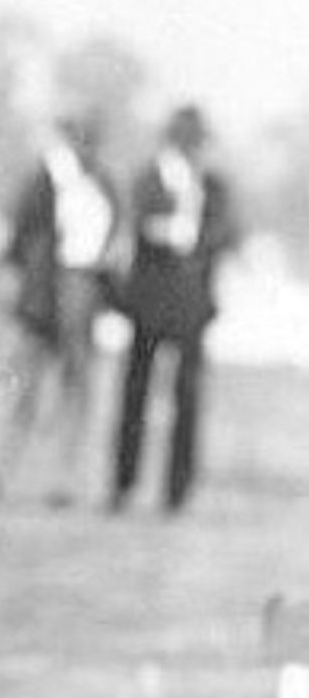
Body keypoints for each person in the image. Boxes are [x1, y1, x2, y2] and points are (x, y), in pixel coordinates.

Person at [0, 113, 120, 505]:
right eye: (79, 140)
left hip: (83, 294)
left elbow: (112, 242)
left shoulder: (103, 185)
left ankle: (63, 481)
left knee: (74, 391)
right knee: (19, 385)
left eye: (92, 142)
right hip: (41, 296)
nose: (86, 148)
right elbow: (17, 244)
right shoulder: (42, 182)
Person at [110, 103, 239, 514]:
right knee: (135, 394)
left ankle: (175, 493)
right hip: (150, 300)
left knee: (187, 398)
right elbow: (142, 222)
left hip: (191, 305)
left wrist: (196, 232)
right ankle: (124, 483)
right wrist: (170, 230)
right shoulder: (150, 178)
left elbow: (224, 233)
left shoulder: (210, 185)